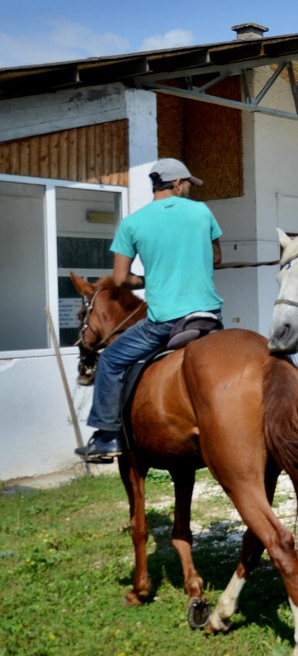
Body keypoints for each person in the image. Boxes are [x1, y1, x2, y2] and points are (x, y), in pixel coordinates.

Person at [76, 158, 223, 459]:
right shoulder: (201, 212)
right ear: (177, 183)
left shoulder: (133, 222)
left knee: (112, 359)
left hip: (165, 322)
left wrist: (148, 276)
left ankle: (108, 436)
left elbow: (119, 279)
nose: (188, 191)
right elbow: (217, 258)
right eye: (187, 185)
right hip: (209, 316)